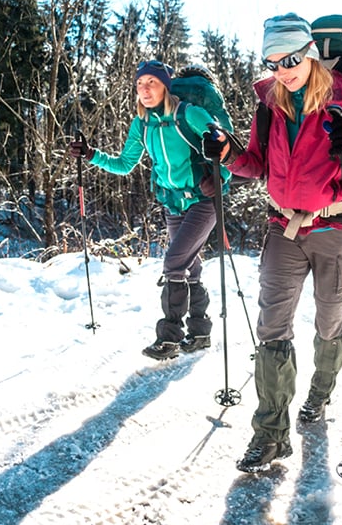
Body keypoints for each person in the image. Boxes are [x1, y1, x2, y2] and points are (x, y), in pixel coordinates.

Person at [203, 13, 342, 473]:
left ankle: (321, 392)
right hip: (282, 228)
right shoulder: (271, 103)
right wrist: (228, 154)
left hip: (334, 230)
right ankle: (269, 434)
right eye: (272, 61)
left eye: (290, 58)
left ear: (309, 52)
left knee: (329, 323)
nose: (282, 69)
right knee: (272, 330)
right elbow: (258, 164)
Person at [69, 60, 233, 360]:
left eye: (152, 82)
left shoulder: (189, 114)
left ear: (166, 86)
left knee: (173, 263)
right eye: (140, 84)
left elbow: (225, 148)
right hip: (172, 202)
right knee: (190, 266)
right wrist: (91, 155)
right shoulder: (141, 124)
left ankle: (169, 339)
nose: (144, 89)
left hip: (203, 201)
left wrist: (219, 177)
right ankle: (200, 333)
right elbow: (124, 164)